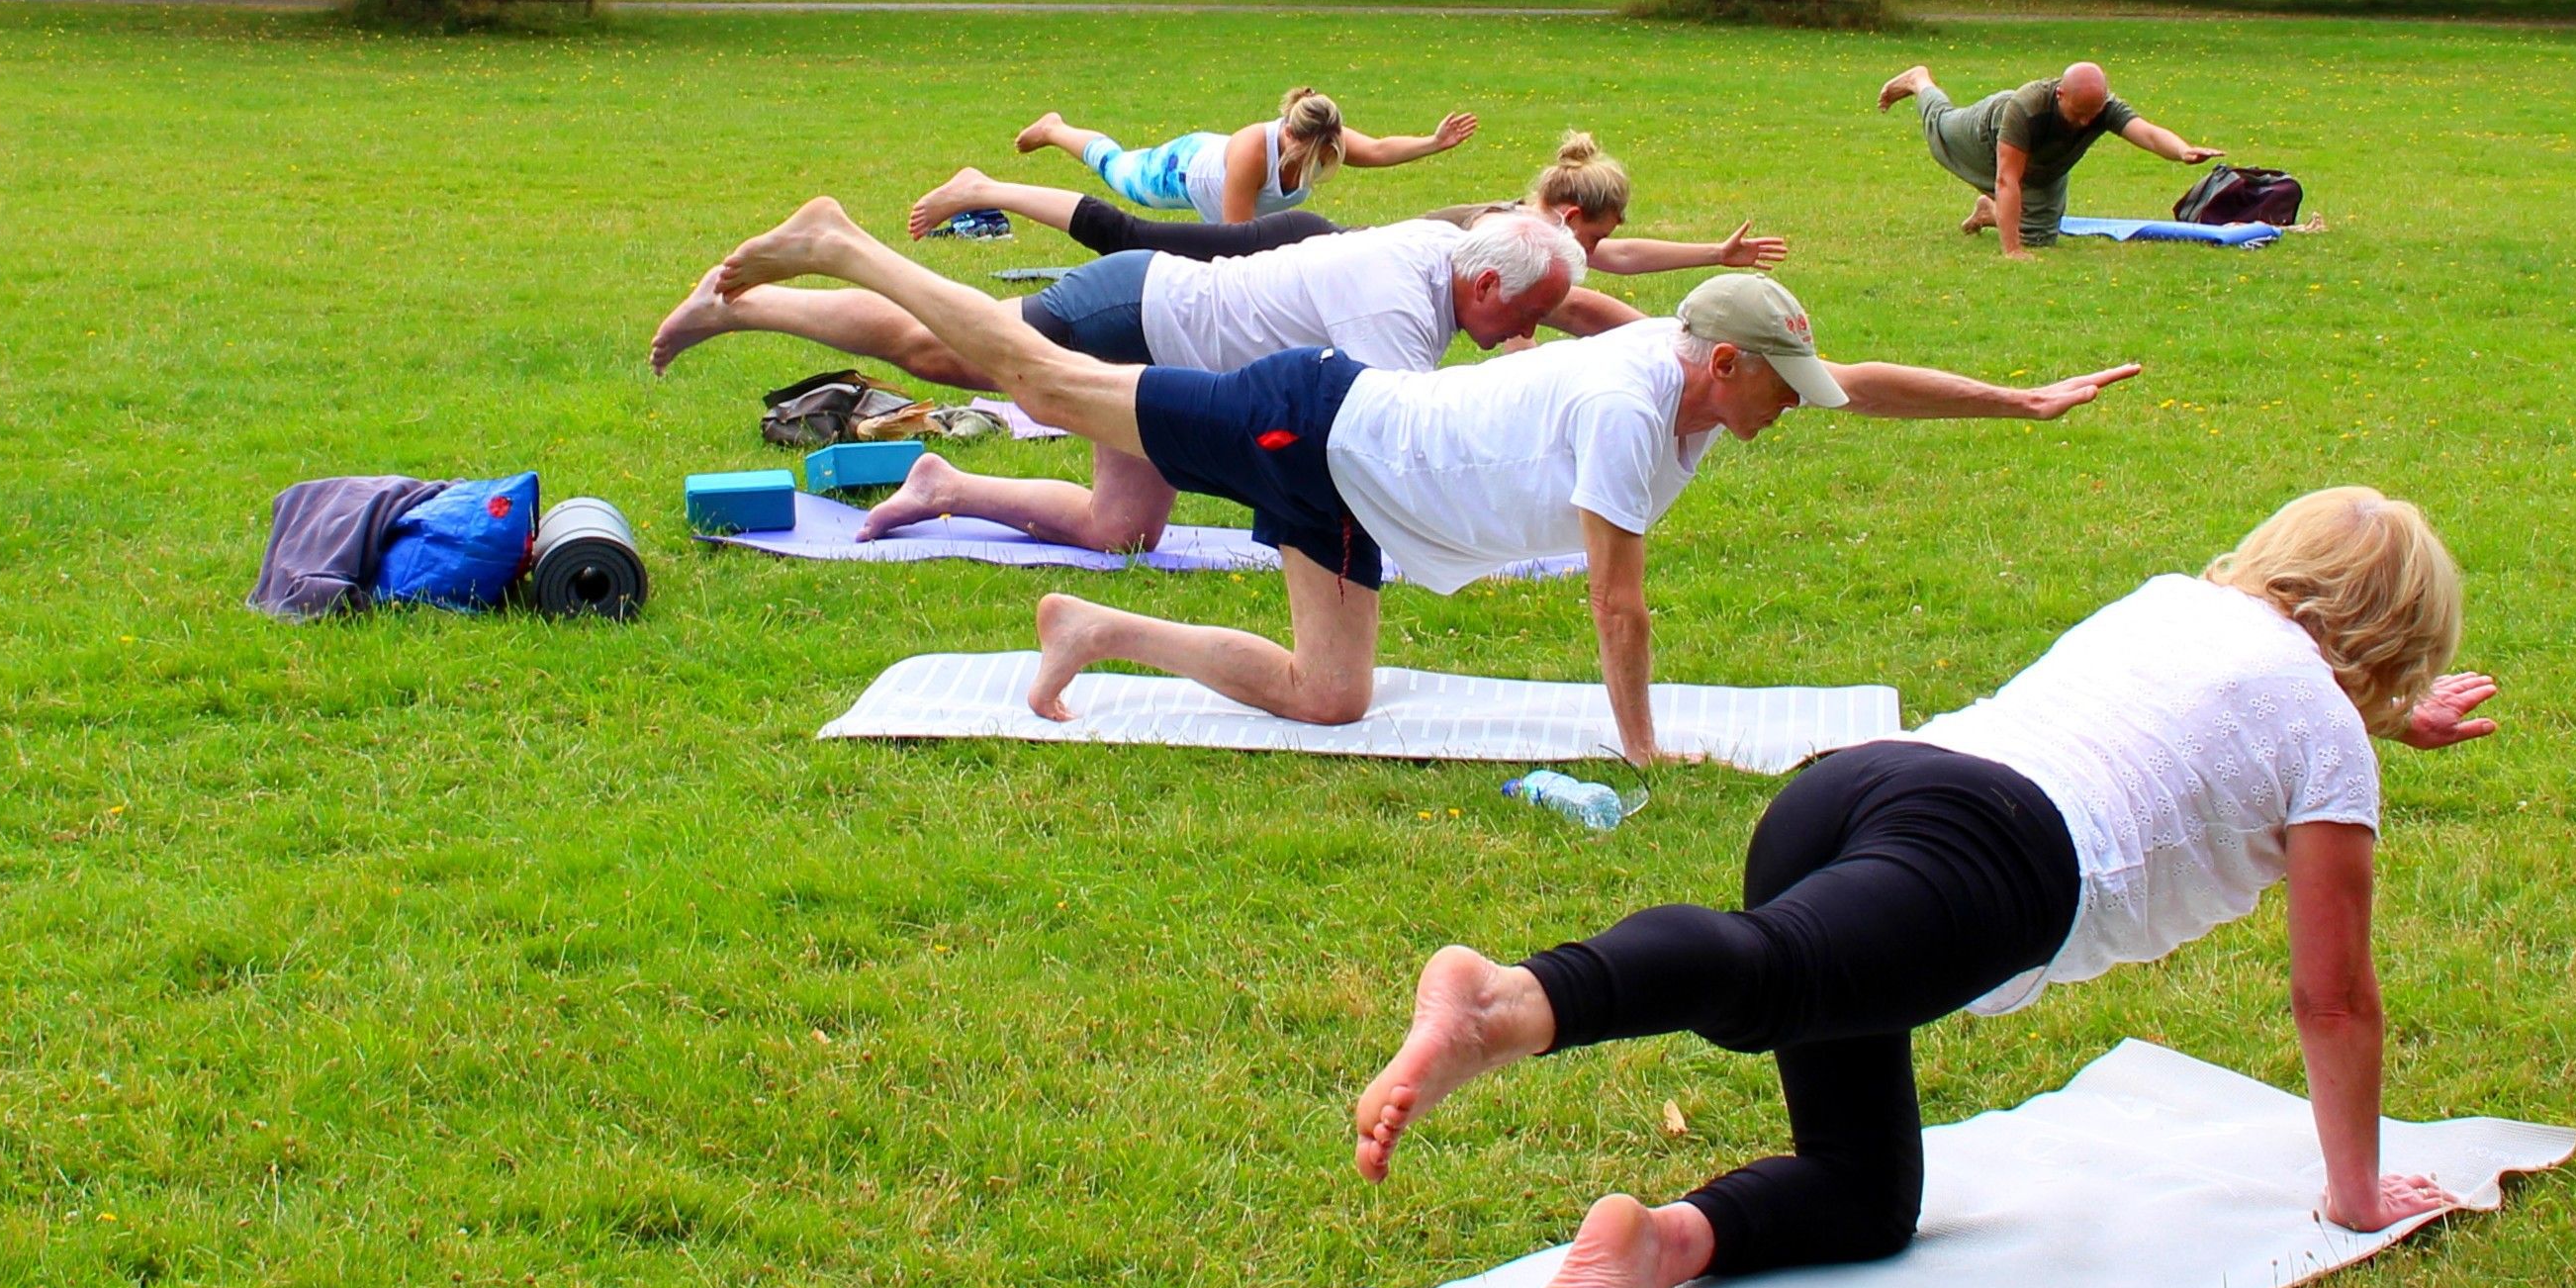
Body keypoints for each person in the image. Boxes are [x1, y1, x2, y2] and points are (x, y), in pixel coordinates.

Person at [1343, 487, 2504, 1288]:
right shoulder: (2326, 738)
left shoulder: (2178, 603)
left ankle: (1663, 1243)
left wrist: (2382, 724)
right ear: (2403, 638)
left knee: (1862, 1189)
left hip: (1855, 792)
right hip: (1993, 850)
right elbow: (2334, 997)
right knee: (1776, 972)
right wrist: (2353, 1193)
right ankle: (1510, 1002)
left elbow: (2232, 711)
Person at [696, 198, 2146, 760]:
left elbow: (1871, 381)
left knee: (1334, 697)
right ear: (1720, 367)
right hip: (1310, 429)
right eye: (1785, 391)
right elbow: (1618, 609)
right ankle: (838, 247)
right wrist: (1639, 754)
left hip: (1355, 496)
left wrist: (2015, 401)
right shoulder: (1634, 415)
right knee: (1034, 375)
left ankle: (1091, 630)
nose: (1799, 412)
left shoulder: (1694, 366)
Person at [656, 210, 1590, 553]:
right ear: (1480, 283)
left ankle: (947, 486)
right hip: (1134, 315)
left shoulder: (1451, 251)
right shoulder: (1397, 304)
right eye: (1523, 315)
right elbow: (1377, 456)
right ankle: (787, 275)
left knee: (1124, 532)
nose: (1526, 332)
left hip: (1164, 361)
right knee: (937, 351)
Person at [906, 131, 1792, 296]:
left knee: (1141, 249)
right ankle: (984, 188)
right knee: (1134, 236)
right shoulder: (1509, 237)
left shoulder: (1544, 237)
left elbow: (1615, 264)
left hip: (1324, 266)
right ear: (1562, 210)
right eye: (1594, 231)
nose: (1598, 248)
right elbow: (1589, 294)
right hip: (1309, 248)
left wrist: (1714, 253)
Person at [1875, 61, 2224, 256]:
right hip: (1986, 131)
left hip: (2045, 166)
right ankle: (1919, 81)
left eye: (2094, 113)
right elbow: (2007, 180)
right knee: (1940, 129)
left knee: (2040, 239)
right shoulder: (2025, 109)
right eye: (2079, 113)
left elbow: (2145, 132)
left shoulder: (2100, 107)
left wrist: (2182, 151)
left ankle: (1988, 212)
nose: (2088, 121)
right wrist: (2011, 251)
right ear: (2060, 95)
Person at [1019, 86, 1480, 224]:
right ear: (1292, 136)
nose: (1322, 160)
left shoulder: (1328, 137)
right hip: (1181, 170)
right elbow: (1236, 239)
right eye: (1312, 152)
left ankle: (1056, 128)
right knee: (1117, 169)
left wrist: (1432, 142)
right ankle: (1055, 129)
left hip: (1209, 151)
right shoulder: (1251, 154)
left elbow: (1378, 149)